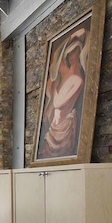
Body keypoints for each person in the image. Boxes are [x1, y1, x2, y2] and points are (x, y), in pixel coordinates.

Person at [39, 28, 88, 158]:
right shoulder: (64, 78)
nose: (70, 59)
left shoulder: (77, 80)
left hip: (64, 129)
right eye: (69, 55)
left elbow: (57, 103)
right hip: (54, 129)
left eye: (74, 55)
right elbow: (56, 55)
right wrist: (72, 36)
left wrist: (54, 86)